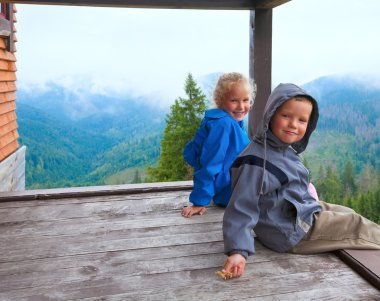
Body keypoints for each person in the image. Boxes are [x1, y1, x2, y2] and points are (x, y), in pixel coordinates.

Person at [221, 83, 380, 278]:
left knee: (346, 211)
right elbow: (241, 208)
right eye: (286, 116)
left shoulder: (281, 149)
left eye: (302, 120)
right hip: (291, 232)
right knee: (355, 223)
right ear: (270, 115)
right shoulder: (255, 162)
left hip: (293, 213)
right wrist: (238, 251)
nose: (293, 125)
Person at [181, 72, 254, 218]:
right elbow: (209, 164)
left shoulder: (229, 120)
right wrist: (199, 202)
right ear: (219, 100)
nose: (241, 106)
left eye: (246, 100)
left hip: (235, 185)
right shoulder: (222, 124)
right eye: (234, 100)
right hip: (231, 192)